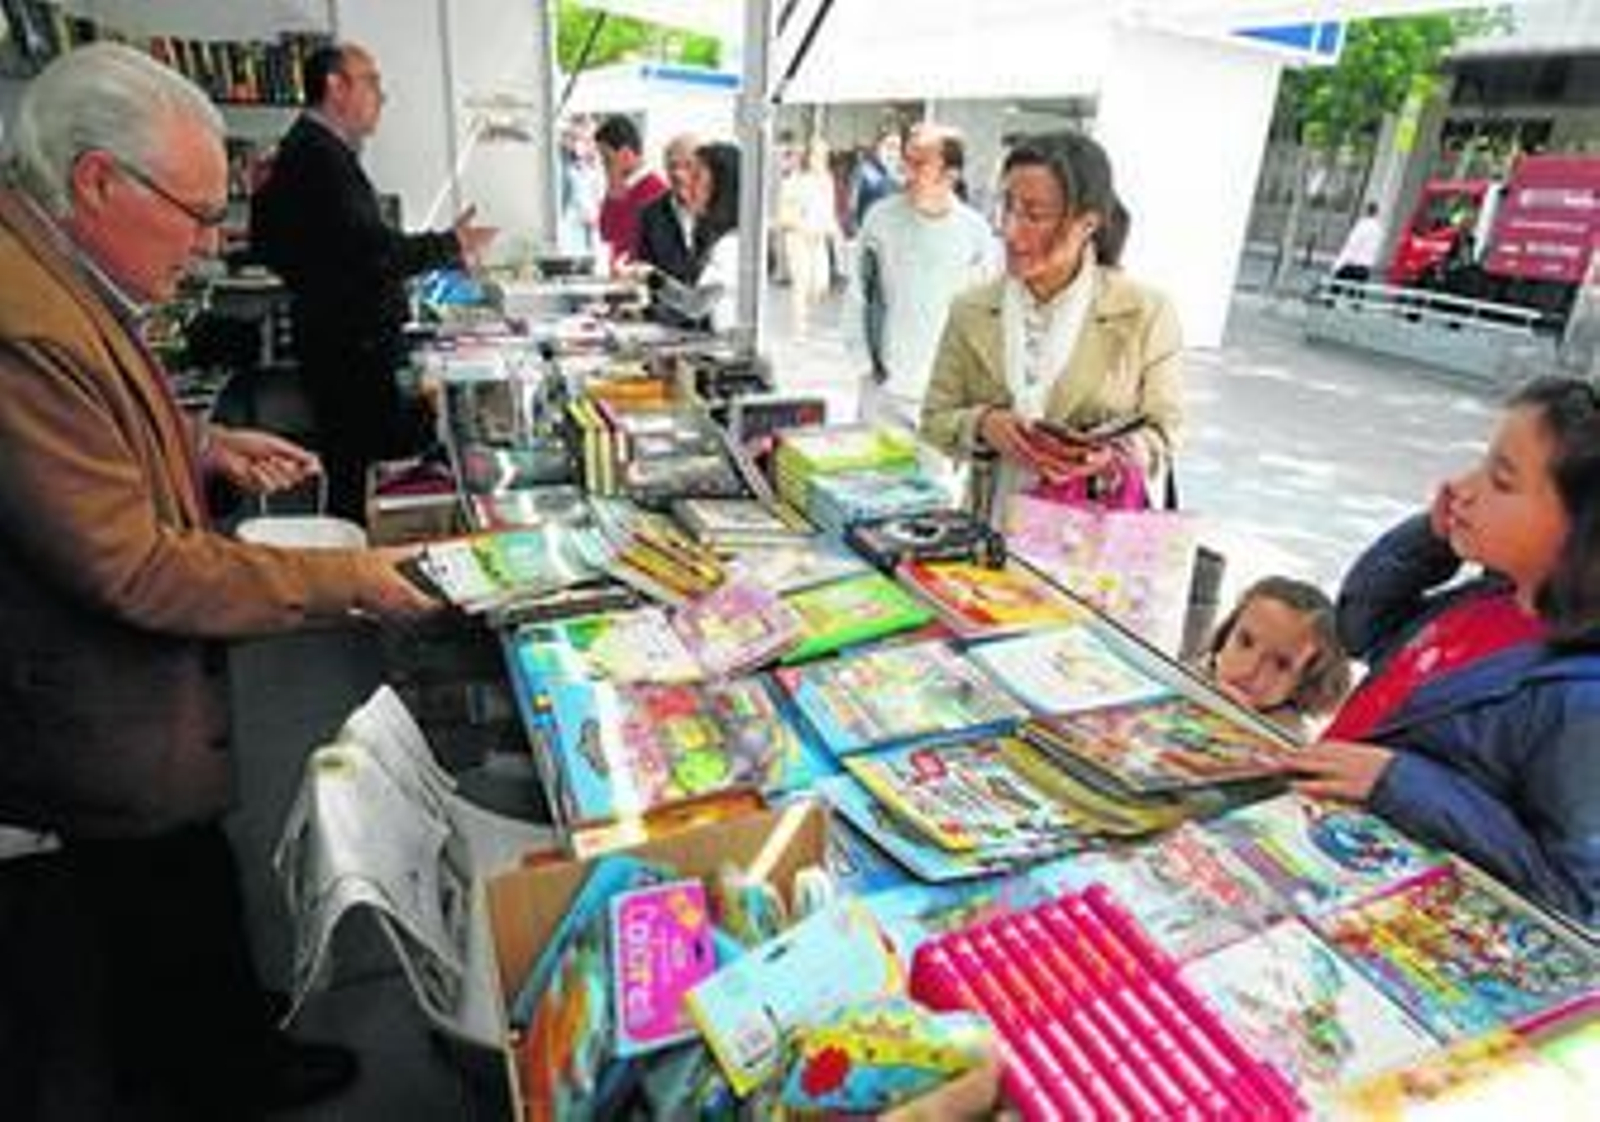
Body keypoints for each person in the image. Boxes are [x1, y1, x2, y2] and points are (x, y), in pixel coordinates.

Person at [0, 43, 440, 1119]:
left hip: (131, 713)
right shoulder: (19, 324)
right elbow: (133, 563)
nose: (209, 246)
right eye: (195, 216)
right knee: (157, 903)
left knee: (184, 889)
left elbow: (93, 428)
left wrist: (200, 443)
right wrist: (346, 580)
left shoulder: (55, 270)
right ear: (97, 181)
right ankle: (215, 1075)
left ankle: (225, 1041)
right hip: (97, 710)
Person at [1292, 377, 1600, 926]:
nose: (1462, 487)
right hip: (1321, 842)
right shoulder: (1490, 595)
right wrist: (1430, 542)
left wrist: (1403, 784)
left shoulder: (1581, 700)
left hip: (1387, 916)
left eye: (1501, 481)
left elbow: (1577, 900)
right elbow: (1361, 626)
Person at [250, 42, 496, 524]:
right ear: (335, 86)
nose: (382, 96)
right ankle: (363, 556)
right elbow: (372, 253)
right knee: (362, 474)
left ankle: (358, 547)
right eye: (371, 82)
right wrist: (450, 244)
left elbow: (336, 248)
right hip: (351, 348)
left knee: (353, 468)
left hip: (341, 340)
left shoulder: (313, 150)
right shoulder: (317, 156)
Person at [920, 132, 1183, 520]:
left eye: (1034, 215)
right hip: (989, 531)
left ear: (1087, 223)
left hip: (1091, 541)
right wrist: (984, 425)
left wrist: (1109, 457)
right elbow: (935, 418)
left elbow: (1166, 432)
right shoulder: (970, 309)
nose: (1010, 230)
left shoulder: (1145, 313)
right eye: (1007, 208)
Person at [855, 123, 997, 432]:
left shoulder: (975, 233)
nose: (906, 172)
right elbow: (859, 294)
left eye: (919, 164)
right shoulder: (880, 219)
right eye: (906, 161)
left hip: (944, 393)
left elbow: (987, 315)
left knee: (936, 465)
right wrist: (867, 364)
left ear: (951, 175)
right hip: (883, 390)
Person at [1201, 577, 1352, 737]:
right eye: (1246, 642)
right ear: (1227, 634)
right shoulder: (1197, 675)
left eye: (1281, 664)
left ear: (1306, 683)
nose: (1249, 670)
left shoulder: (1289, 738)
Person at [778, 138, 841, 335]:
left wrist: (835, 230)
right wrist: (800, 225)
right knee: (802, 282)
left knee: (821, 284)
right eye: (818, 156)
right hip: (798, 237)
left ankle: (806, 309)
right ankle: (800, 326)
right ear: (809, 157)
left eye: (824, 156)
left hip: (818, 237)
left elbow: (829, 209)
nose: (821, 160)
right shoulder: (795, 180)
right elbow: (784, 213)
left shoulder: (828, 180)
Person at [682, 141, 742, 334]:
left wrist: (649, 277)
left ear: (721, 187)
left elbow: (694, 305)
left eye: (696, 177)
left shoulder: (730, 245)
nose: (686, 184)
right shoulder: (708, 235)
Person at [593, 114, 667, 267]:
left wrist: (615, 189)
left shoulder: (656, 190)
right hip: (622, 275)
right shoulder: (621, 187)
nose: (603, 165)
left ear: (626, 154)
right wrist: (613, 191)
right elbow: (606, 233)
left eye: (607, 158)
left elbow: (619, 235)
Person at [636, 132, 702, 286]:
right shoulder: (650, 215)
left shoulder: (720, 209)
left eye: (688, 165)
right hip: (666, 299)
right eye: (673, 166)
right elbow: (645, 273)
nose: (678, 173)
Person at [848, 128, 903, 235]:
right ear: (878, 146)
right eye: (889, 146)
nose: (893, 152)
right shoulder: (864, 171)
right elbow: (852, 207)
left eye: (897, 148)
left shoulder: (900, 175)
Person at [1331, 201, 1382, 284]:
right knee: (1358, 289)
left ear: (1366, 211)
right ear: (1377, 213)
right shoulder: (1378, 230)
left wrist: (1337, 265)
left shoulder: (1362, 226)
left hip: (1353, 266)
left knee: (1338, 286)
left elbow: (1352, 245)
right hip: (1365, 268)